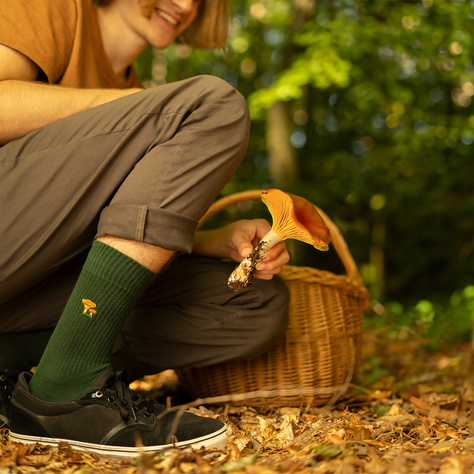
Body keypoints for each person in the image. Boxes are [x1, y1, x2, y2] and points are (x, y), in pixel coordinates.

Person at [0, 0, 290, 458]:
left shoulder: (138, 93)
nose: (186, 4)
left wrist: (213, 242)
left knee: (256, 300)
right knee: (216, 105)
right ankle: (64, 390)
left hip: (23, 285)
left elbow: (94, 229)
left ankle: (17, 366)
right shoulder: (54, 6)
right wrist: (150, 109)